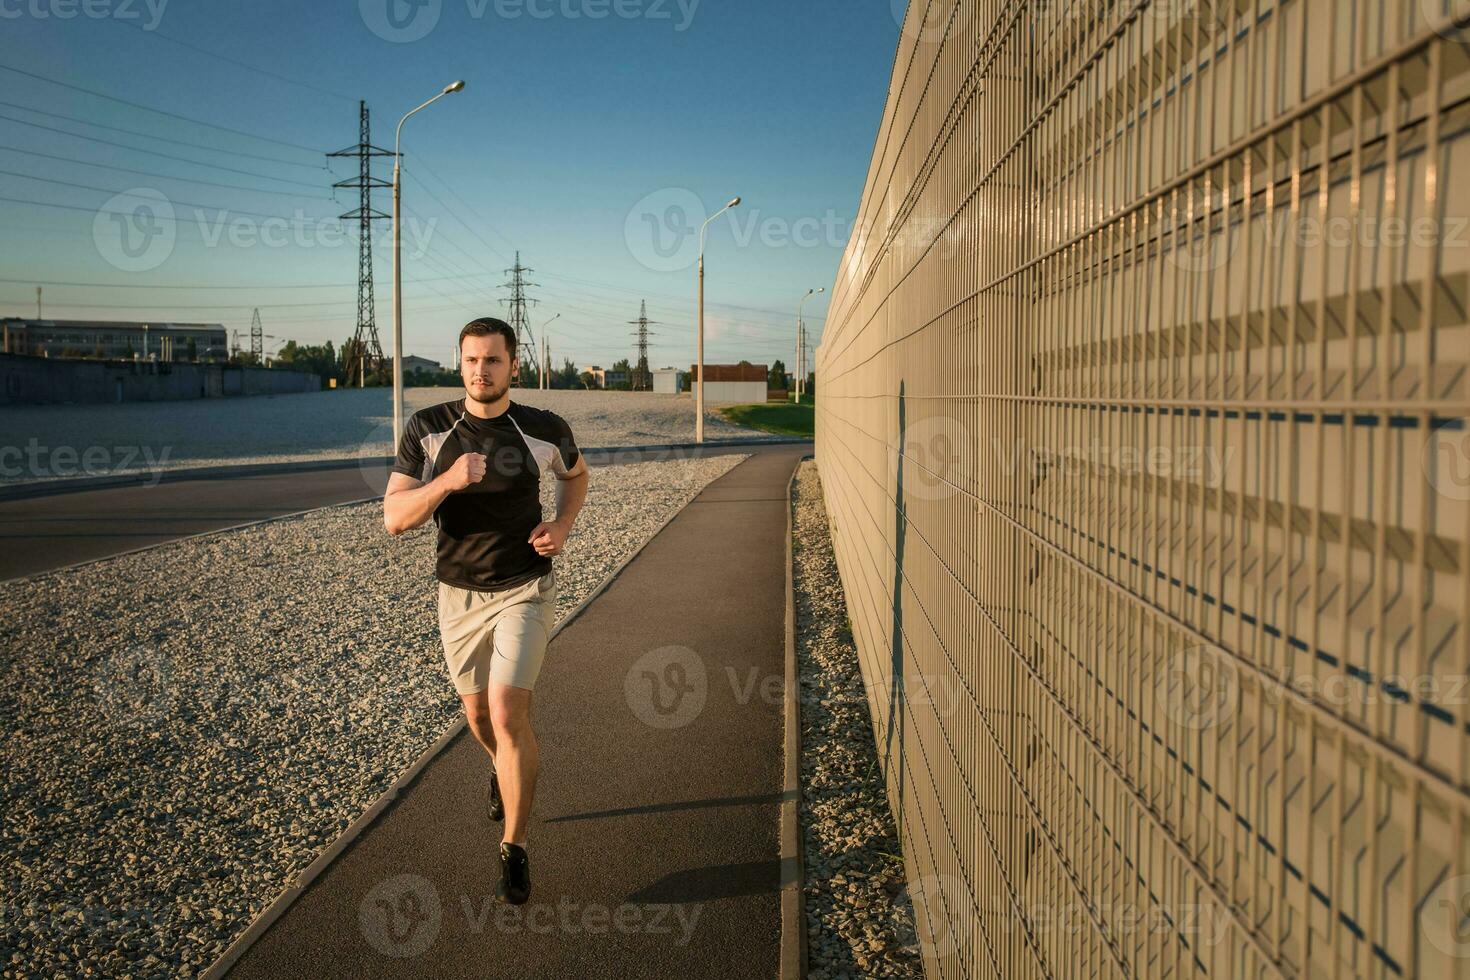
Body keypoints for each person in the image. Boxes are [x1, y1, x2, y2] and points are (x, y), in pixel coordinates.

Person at [382, 316, 589, 905]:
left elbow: (577, 478)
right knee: (478, 720)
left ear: (513, 365)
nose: (481, 370)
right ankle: (504, 770)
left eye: (493, 360)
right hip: (459, 596)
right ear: (460, 363)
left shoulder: (544, 429)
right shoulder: (428, 429)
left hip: (525, 587)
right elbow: (395, 519)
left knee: (505, 711)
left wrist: (564, 523)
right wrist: (445, 480)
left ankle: (514, 847)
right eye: (472, 360)